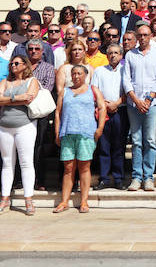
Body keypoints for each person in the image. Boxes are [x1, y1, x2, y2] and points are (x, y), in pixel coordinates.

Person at [53, 64, 106, 213]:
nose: (76, 76)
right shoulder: (65, 91)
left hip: (86, 133)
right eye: (74, 74)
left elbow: (102, 107)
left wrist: (100, 128)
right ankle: (64, 201)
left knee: (84, 167)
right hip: (68, 132)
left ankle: (84, 201)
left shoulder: (92, 90)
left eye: (79, 73)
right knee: (68, 168)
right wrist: (57, 132)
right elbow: (58, 112)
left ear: (85, 75)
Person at [0, 55, 40, 215]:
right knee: (7, 163)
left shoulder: (32, 81)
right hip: (4, 125)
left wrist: (7, 99)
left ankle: (28, 199)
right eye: (11, 63)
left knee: (26, 162)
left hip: (25, 125)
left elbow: (29, 99)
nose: (13, 65)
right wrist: (16, 98)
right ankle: (5, 198)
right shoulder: (5, 81)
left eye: (17, 63)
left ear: (25, 65)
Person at [123, 24, 156, 192]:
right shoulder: (130, 55)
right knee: (136, 141)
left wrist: (148, 100)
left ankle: (148, 177)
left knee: (150, 140)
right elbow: (126, 80)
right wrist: (136, 99)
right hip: (134, 103)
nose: (142, 38)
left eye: (145, 35)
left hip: (152, 104)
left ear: (150, 36)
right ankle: (136, 177)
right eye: (140, 35)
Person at [92, 44, 127, 190]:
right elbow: (94, 90)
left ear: (121, 55)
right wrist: (105, 105)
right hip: (103, 111)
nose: (113, 55)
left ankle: (118, 178)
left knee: (119, 146)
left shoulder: (126, 70)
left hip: (120, 110)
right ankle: (104, 178)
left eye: (116, 53)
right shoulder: (99, 71)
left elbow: (129, 90)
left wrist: (116, 103)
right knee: (104, 146)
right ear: (106, 56)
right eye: (110, 53)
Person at [23, 39, 55, 192]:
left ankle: (39, 179)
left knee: (39, 147)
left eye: (37, 49)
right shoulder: (21, 67)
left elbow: (47, 89)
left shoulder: (48, 68)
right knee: (23, 147)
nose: (33, 51)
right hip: (22, 112)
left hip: (40, 113)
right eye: (31, 49)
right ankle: (21, 180)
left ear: (42, 52)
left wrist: (27, 96)